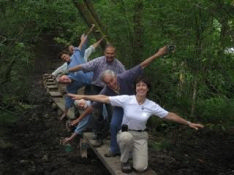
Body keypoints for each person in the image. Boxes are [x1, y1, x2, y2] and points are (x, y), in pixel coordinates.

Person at [67, 76, 204, 173]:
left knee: (140, 168)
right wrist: (84, 97)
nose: (141, 87)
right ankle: (125, 160)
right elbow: (104, 98)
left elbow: (169, 115)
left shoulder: (152, 105)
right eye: (139, 85)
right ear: (135, 88)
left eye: (144, 85)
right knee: (126, 138)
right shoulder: (127, 99)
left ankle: (134, 154)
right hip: (125, 132)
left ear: (148, 89)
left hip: (141, 136)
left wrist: (188, 123)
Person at [69, 45, 171, 157]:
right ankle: (114, 149)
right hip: (119, 107)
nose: (111, 84)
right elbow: (93, 106)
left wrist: (159, 53)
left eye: (112, 80)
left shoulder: (125, 76)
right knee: (113, 124)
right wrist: (79, 119)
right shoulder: (106, 89)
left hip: (134, 105)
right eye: (108, 83)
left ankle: (132, 150)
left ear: (116, 77)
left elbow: (142, 65)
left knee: (130, 126)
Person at [67, 44, 126, 147]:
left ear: (115, 54)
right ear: (104, 53)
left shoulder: (119, 65)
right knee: (96, 112)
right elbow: (84, 66)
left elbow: (125, 78)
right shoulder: (99, 61)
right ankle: (98, 136)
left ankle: (108, 133)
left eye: (112, 54)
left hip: (110, 90)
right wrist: (70, 70)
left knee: (112, 113)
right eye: (108, 53)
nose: (110, 56)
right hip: (96, 87)